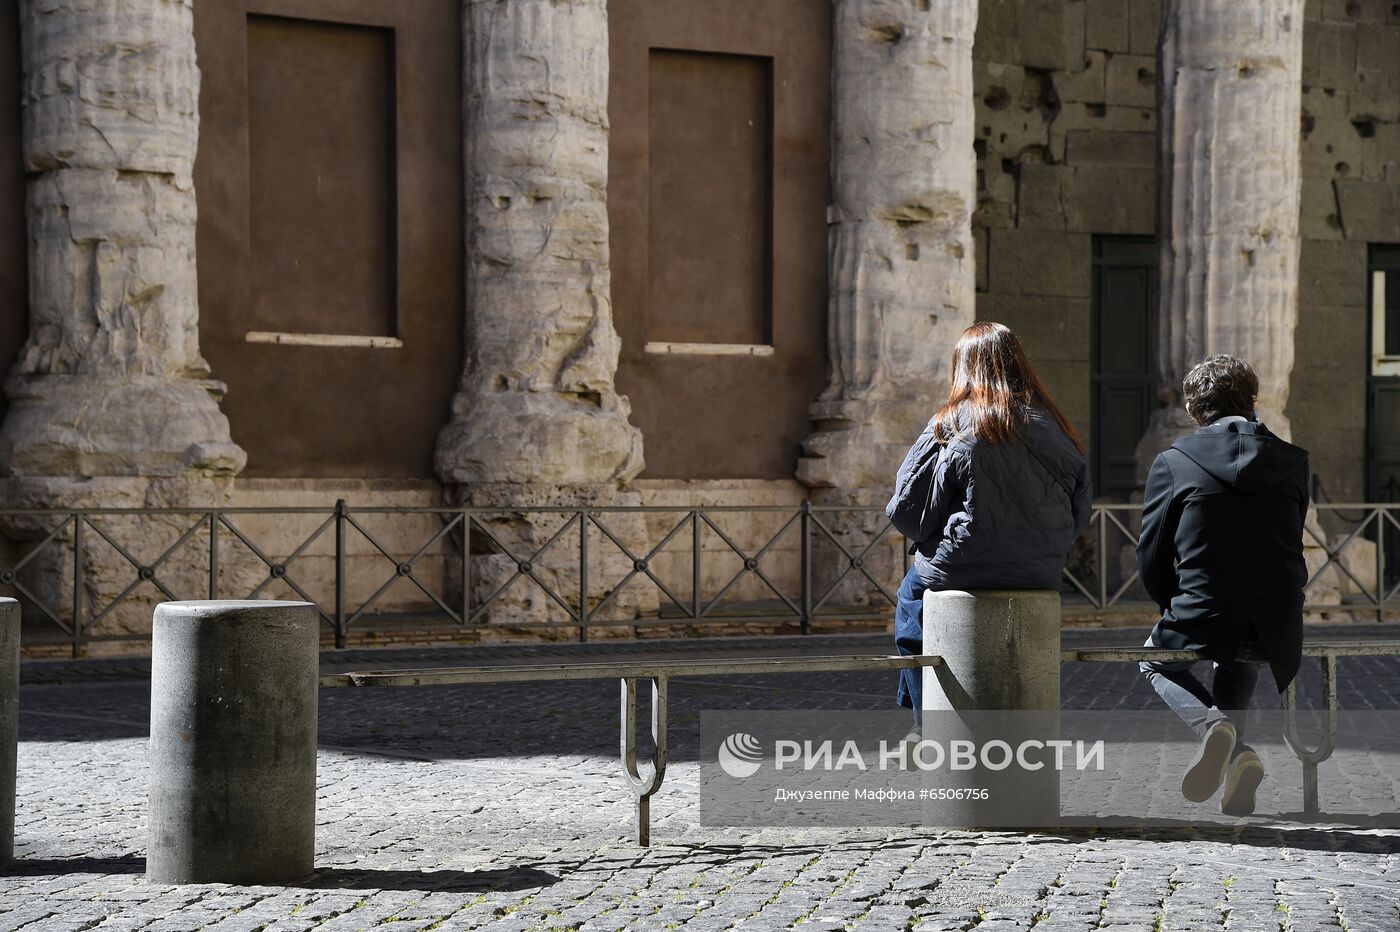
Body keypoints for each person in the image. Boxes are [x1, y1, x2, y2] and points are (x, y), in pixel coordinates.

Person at [886, 321, 1092, 718]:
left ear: (963, 367)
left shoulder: (950, 421)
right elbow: (1080, 513)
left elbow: (908, 512)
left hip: (961, 567)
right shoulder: (1056, 426)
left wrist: (944, 533)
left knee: (911, 604)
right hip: (1040, 570)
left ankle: (922, 723)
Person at [1137, 355, 1308, 817]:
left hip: (1204, 607)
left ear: (1193, 410)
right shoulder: (1293, 461)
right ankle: (1238, 760)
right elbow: (1292, 540)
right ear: (1254, 403)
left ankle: (1218, 733)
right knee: (1242, 644)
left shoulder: (1174, 461)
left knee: (1154, 661)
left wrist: (1174, 604)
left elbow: (1151, 555)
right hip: (1278, 615)